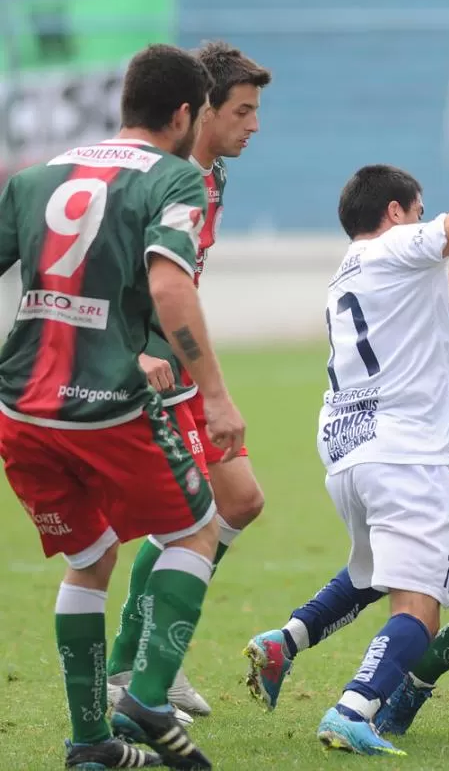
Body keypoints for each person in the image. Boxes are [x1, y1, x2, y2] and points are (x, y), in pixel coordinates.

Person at [244, 94, 449, 756]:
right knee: (420, 605)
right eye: (418, 212)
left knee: (374, 574)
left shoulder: (347, 272)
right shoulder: (399, 243)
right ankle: (354, 708)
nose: (424, 224)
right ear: (396, 212)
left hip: (348, 447)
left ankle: (283, 641)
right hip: (405, 449)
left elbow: (412, 330)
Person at [0, 44, 245, 770]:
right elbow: (171, 288)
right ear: (183, 114)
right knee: (197, 533)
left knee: (91, 555)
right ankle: (145, 693)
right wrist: (220, 396)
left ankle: (89, 744)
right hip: (106, 405)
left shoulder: (41, 174)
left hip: (21, 408)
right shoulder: (176, 179)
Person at [106, 40, 272, 719]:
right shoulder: (156, 175)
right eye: (241, 110)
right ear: (200, 111)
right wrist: (133, 351)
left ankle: (140, 665)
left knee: (238, 501)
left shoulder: (213, 177)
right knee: (204, 511)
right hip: (141, 371)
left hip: (175, 369)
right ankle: (134, 671)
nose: (253, 124)